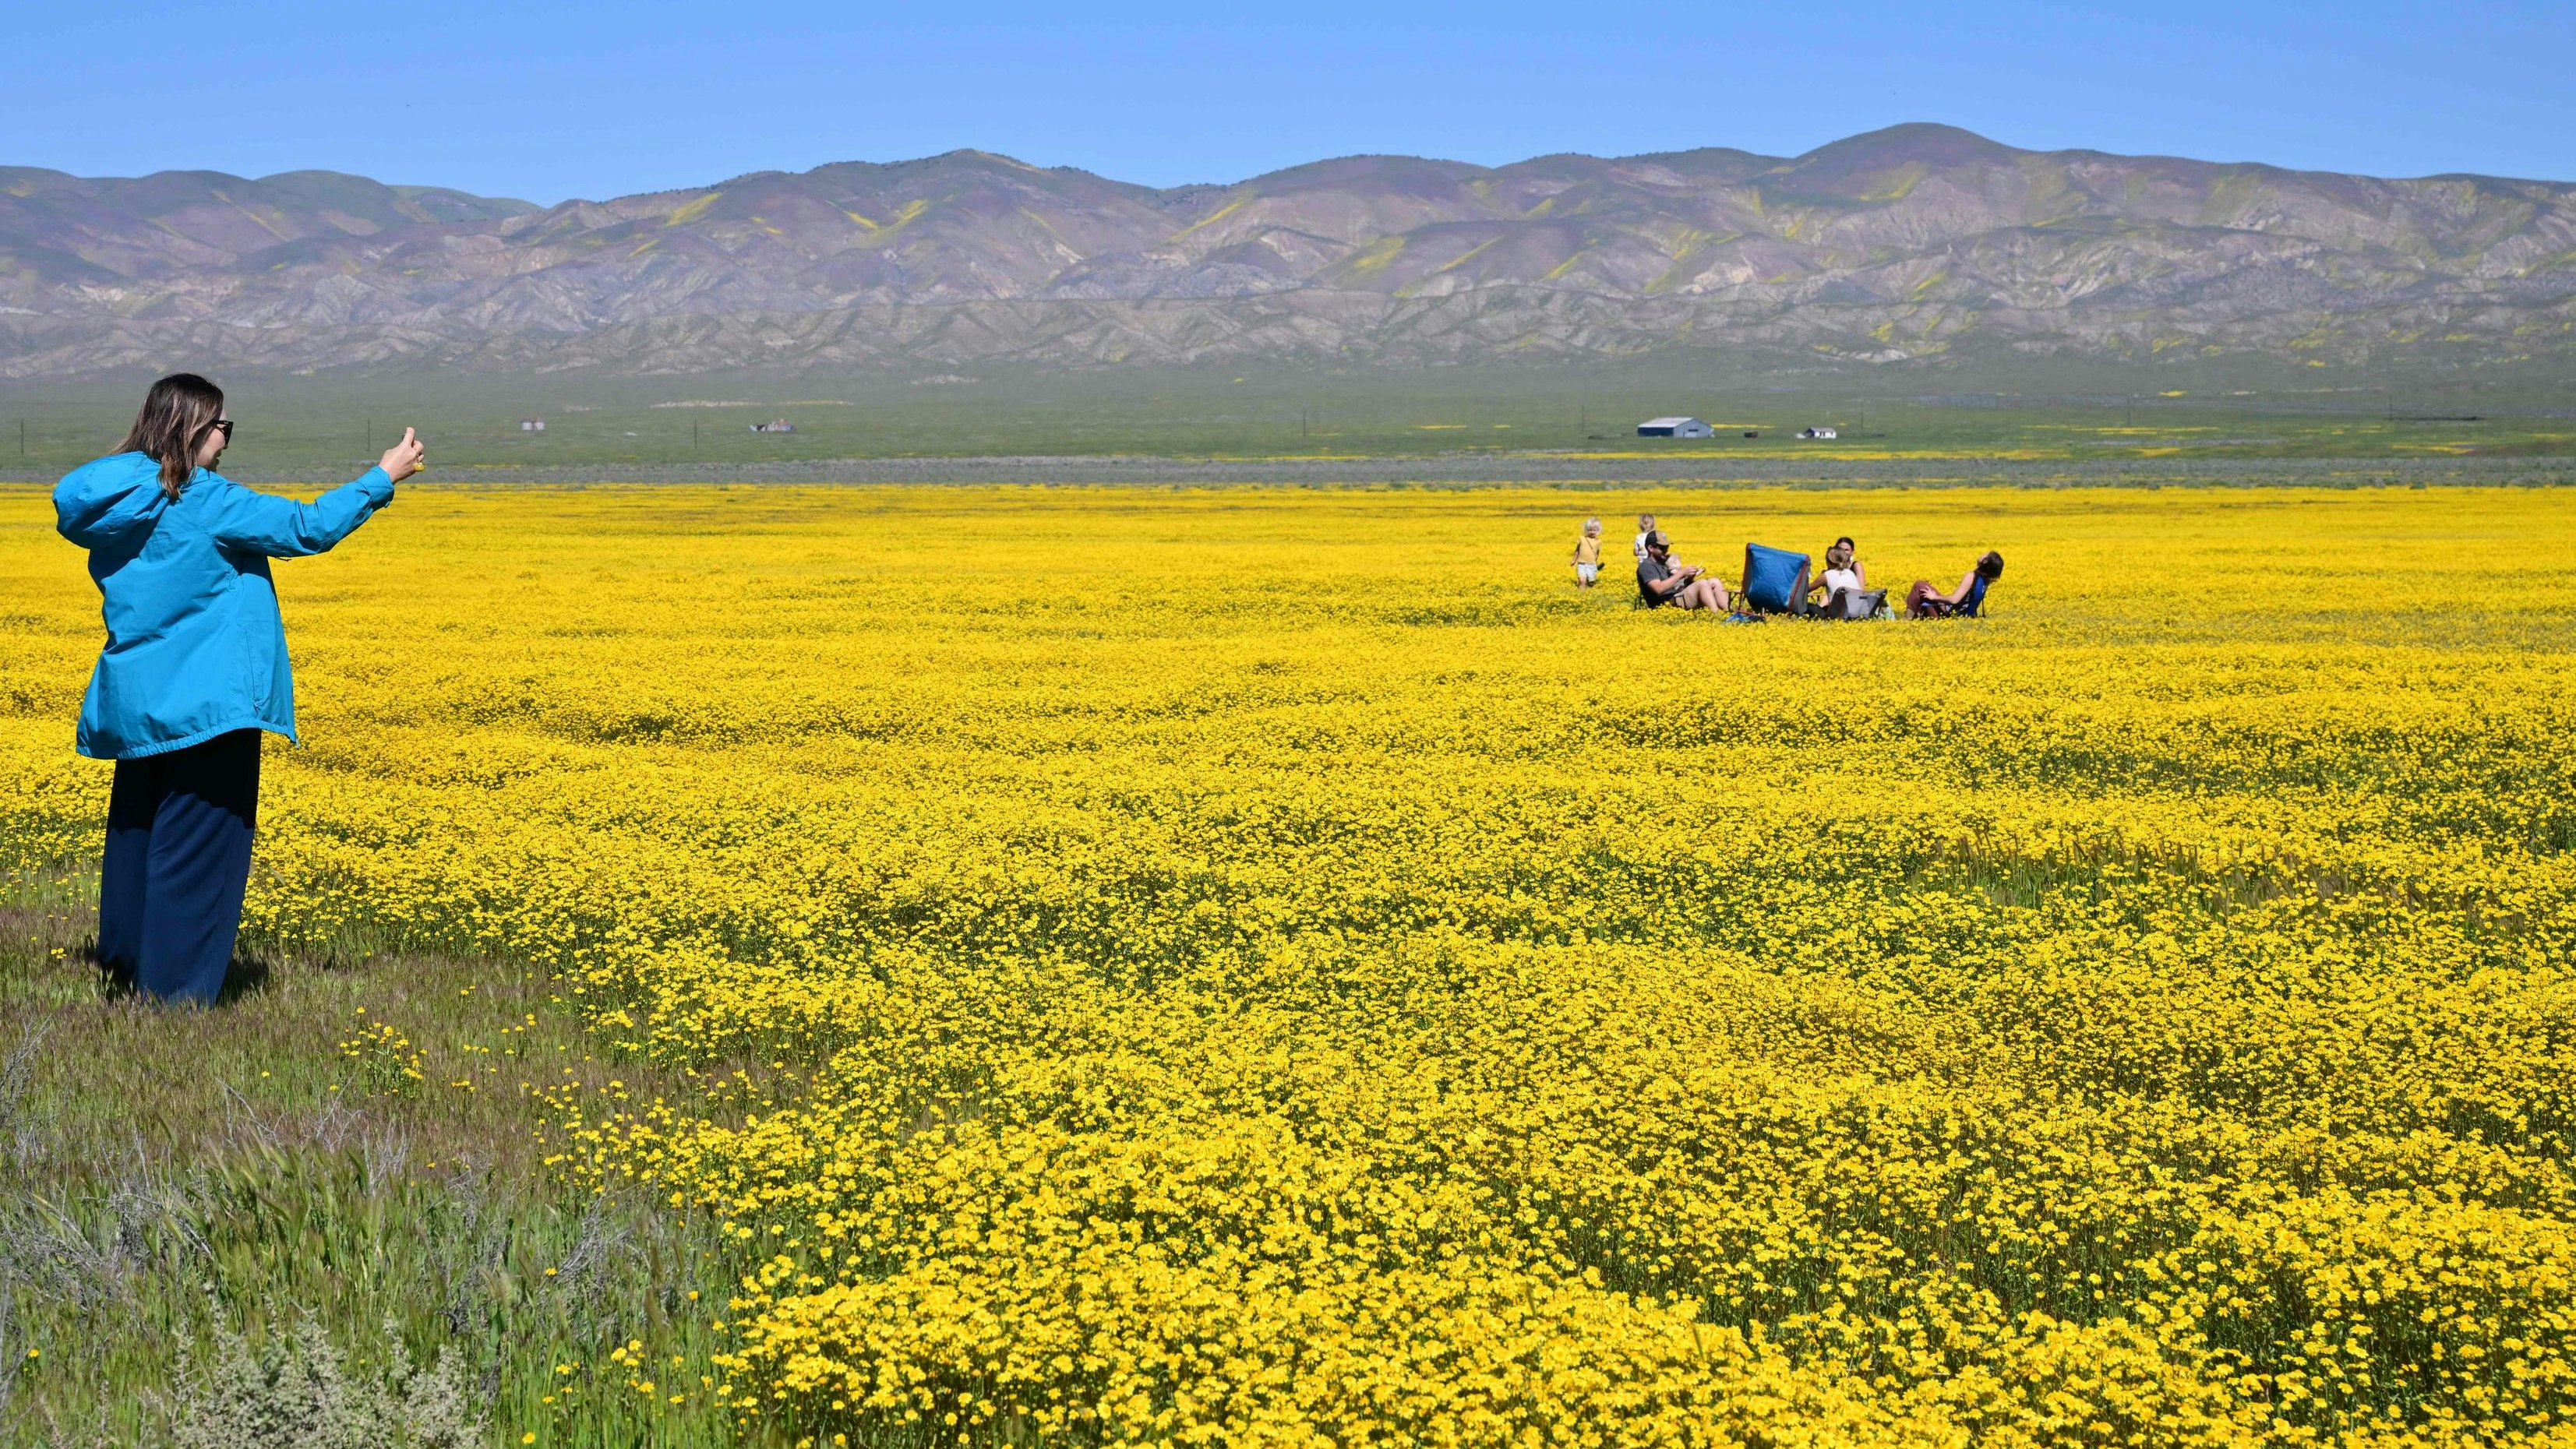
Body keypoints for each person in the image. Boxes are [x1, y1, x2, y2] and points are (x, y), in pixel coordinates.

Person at [54, 372, 424, 1004]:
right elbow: (306, 529)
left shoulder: (110, 499)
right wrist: (382, 478)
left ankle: (124, 966)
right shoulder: (202, 498)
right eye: (223, 425)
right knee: (198, 848)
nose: (227, 438)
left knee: (139, 837)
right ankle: (171, 997)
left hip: (140, 700)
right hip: (209, 704)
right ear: (192, 427)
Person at [1636, 531, 1731, 612]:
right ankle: (1717, 616)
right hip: (1665, 606)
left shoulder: (1663, 563)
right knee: (1702, 583)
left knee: (1715, 581)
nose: (1666, 550)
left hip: (1676, 597)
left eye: (1667, 547)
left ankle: (1731, 614)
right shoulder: (1646, 566)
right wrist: (1682, 573)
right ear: (1651, 548)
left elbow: (1677, 585)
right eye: (1662, 547)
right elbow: (1658, 589)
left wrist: (1689, 577)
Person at [1907, 551, 2004, 619]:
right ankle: (1916, 619)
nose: (1982, 554)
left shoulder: (1971, 576)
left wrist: (1934, 597)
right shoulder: (1985, 581)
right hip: (1959, 616)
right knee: (1925, 586)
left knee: (1919, 585)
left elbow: (1954, 600)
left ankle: (1907, 622)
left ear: (1985, 561)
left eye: (1985, 554)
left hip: (1947, 616)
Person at [1808, 536, 1866, 615]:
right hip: (1857, 612)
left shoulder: (1827, 575)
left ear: (1829, 562)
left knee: (1810, 607)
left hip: (1839, 614)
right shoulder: (1850, 573)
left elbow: (1808, 589)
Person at [1572, 517, 1604, 588]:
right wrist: (1574, 560)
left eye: (1594, 530)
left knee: (1591, 581)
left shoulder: (1598, 541)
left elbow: (1597, 552)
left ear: (1598, 531)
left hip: (1592, 564)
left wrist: (1595, 561)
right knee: (1582, 580)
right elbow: (1577, 550)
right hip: (1581, 564)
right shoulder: (1581, 538)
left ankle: (1589, 589)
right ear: (1586, 530)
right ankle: (1581, 596)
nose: (1592, 532)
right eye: (1590, 530)